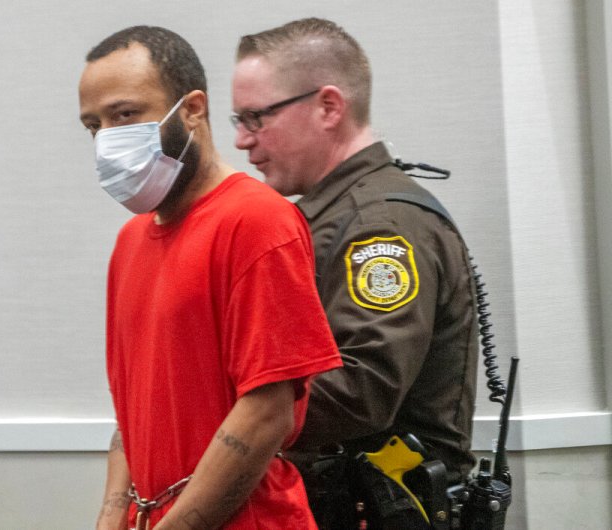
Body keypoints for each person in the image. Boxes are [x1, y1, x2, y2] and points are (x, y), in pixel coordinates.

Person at [78, 26, 343, 530]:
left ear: (193, 108)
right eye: (94, 125)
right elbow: (135, 414)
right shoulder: (129, 242)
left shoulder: (259, 221)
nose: (107, 139)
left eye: (125, 114)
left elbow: (267, 413)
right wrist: (113, 516)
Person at [231, 18, 479, 528]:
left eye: (256, 117)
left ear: (328, 107)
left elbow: (360, 388)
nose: (241, 140)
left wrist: (227, 411)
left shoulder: (378, 228)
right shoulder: (334, 217)